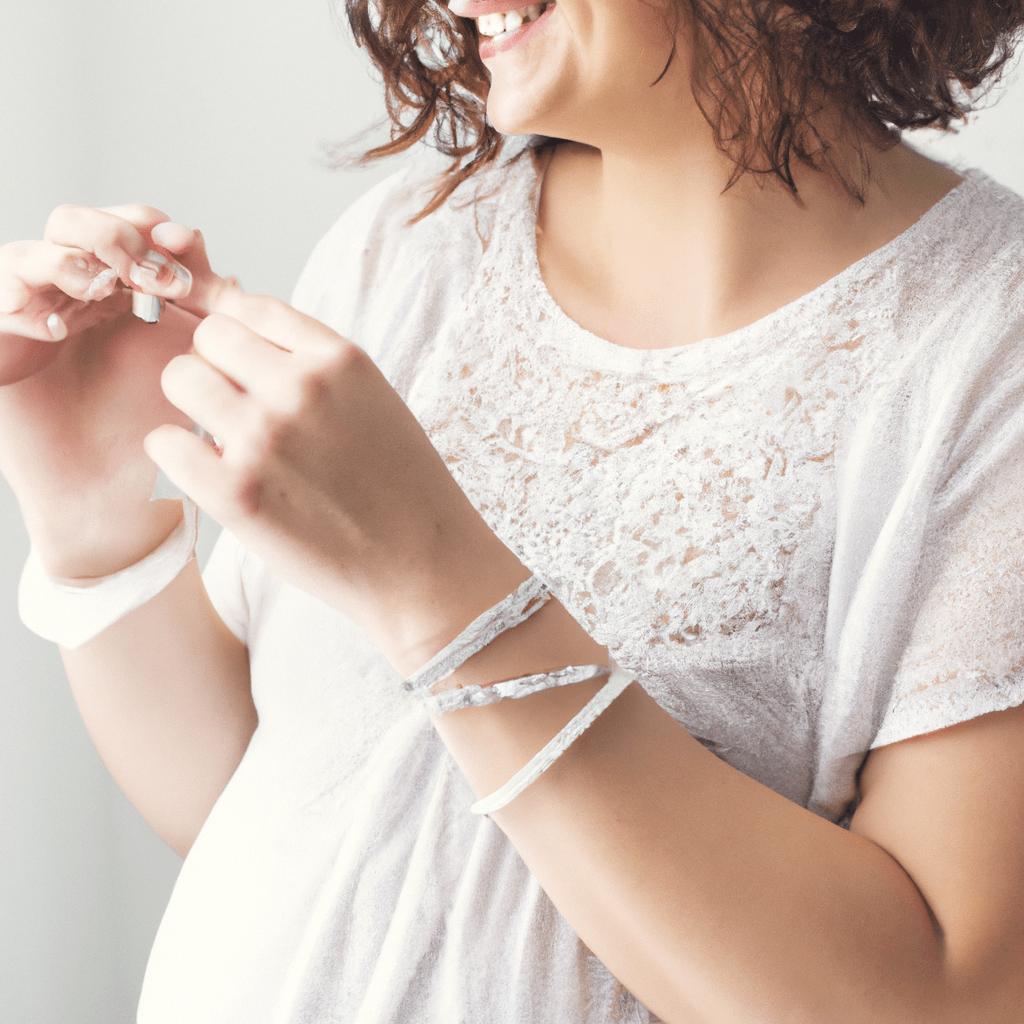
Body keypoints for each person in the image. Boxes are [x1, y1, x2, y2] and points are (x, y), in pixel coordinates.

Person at [1, 0, 1023, 1020]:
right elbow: (266, 805)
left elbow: (942, 996)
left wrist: (442, 589)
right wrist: (94, 522)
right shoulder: (410, 246)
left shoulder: (985, 350)